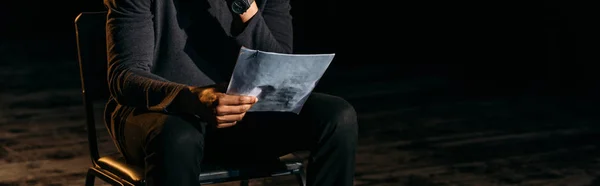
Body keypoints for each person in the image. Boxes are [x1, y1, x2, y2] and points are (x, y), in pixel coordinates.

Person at [103, 0, 358, 185]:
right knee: (179, 135)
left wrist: (244, 6)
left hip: (238, 119)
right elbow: (125, 77)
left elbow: (279, 72)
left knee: (337, 116)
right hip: (158, 116)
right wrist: (191, 98)